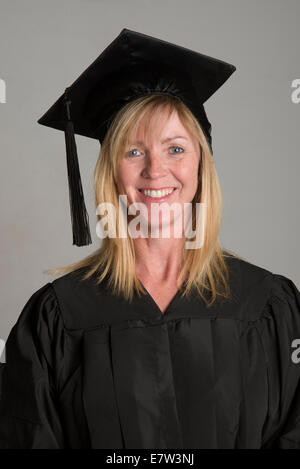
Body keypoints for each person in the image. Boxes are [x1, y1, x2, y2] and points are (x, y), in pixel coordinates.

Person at [0, 28, 300, 449]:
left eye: (176, 148)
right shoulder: (57, 318)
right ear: (111, 170)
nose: (155, 171)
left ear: (201, 163)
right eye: (133, 151)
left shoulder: (268, 305)